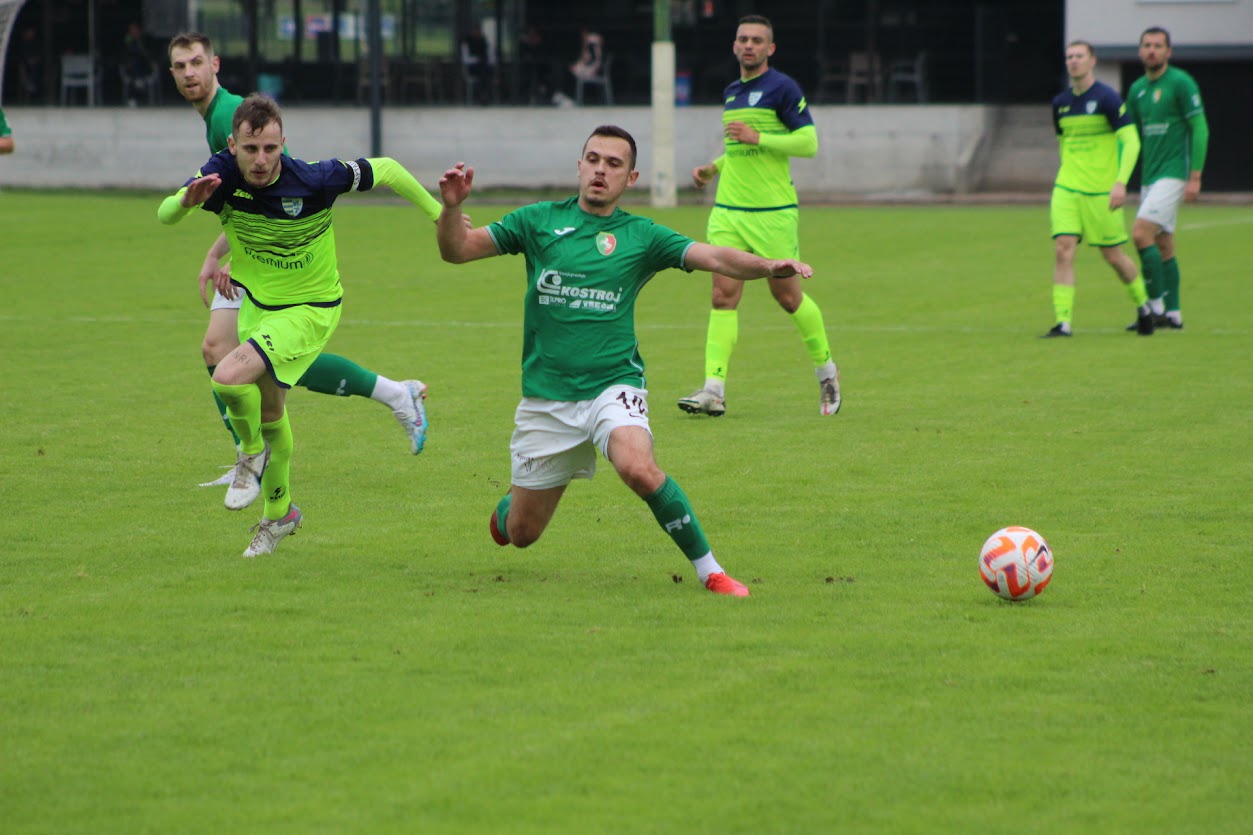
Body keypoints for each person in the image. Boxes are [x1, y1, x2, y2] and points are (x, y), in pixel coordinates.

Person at [436, 125, 816, 597]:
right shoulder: (537, 221)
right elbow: (457, 251)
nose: (601, 170)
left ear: (630, 177)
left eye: (613, 163)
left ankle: (711, 572)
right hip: (547, 398)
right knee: (522, 534)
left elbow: (713, 256)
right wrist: (450, 210)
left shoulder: (641, 235)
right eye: (593, 159)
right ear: (579, 166)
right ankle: (510, 506)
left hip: (613, 385)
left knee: (637, 468)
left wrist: (768, 266)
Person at [158, 95, 445, 556]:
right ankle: (279, 515)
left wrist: (439, 214)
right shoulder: (221, 175)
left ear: (283, 143)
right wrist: (184, 201)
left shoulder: (314, 178)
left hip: (311, 309)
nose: (261, 159)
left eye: (270, 149)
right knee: (271, 413)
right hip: (260, 309)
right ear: (232, 146)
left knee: (227, 377)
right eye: (251, 149)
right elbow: (165, 215)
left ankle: (249, 455)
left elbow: (388, 169)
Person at [167, 32, 430, 489]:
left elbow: (276, 189)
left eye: (196, 63)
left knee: (246, 357)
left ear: (215, 64)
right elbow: (239, 197)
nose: (189, 73)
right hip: (257, 260)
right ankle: (390, 395)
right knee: (238, 354)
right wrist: (219, 251)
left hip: (279, 268)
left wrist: (243, 255)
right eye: (180, 65)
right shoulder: (215, 118)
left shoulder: (231, 114)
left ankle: (254, 457)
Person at [678, 15, 839, 418]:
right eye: (743, 39)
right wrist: (713, 168)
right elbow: (739, 150)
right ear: (734, 46)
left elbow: (808, 142)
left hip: (772, 214)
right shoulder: (732, 91)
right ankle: (713, 389)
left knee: (788, 298)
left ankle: (826, 372)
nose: (749, 45)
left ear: (770, 48)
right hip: (729, 211)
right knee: (722, 295)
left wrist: (759, 137)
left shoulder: (783, 88)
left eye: (757, 40)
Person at [1043, 40, 1154, 338]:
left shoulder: (1108, 98)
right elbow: (1063, 144)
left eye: (1079, 56)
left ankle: (1144, 307)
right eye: (1069, 56)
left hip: (1101, 193)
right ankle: (1063, 323)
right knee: (1063, 249)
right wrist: (1070, 174)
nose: (1073, 61)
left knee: (1113, 256)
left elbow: (1131, 141)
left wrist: (1120, 182)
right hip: (1067, 188)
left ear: (1092, 61)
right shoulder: (1060, 103)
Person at [1124, 26, 1209, 332]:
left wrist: (1195, 176)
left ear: (1168, 52)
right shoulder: (1137, 90)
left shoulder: (1181, 82)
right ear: (1139, 51)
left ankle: (1154, 308)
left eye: (1158, 46)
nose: (1152, 50)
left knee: (1140, 233)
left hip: (1173, 174)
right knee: (1163, 245)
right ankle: (1173, 314)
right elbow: (1129, 135)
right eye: (1147, 45)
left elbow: (1200, 128)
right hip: (1150, 176)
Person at [121, 22, 158, 106]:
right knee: (133, 75)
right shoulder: (128, 39)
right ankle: (134, 95)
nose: (134, 31)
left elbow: (149, 54)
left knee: (138, 72)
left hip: (144, 68)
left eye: (135, 29)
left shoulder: (145, 40)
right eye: (132, 30)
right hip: (132, 69)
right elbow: (127, 52)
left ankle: (139, 84)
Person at [460, 23, 493, 104]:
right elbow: (465, 58)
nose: (478, 33)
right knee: (484, 73)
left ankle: (484, 95)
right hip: (472, 67)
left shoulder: (483, 41)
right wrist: (476, 59)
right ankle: (482, 95)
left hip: (483, 67)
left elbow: (489, 55)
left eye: (479, 31)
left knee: (486, 72)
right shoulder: (466, 42)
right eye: (476, 31)